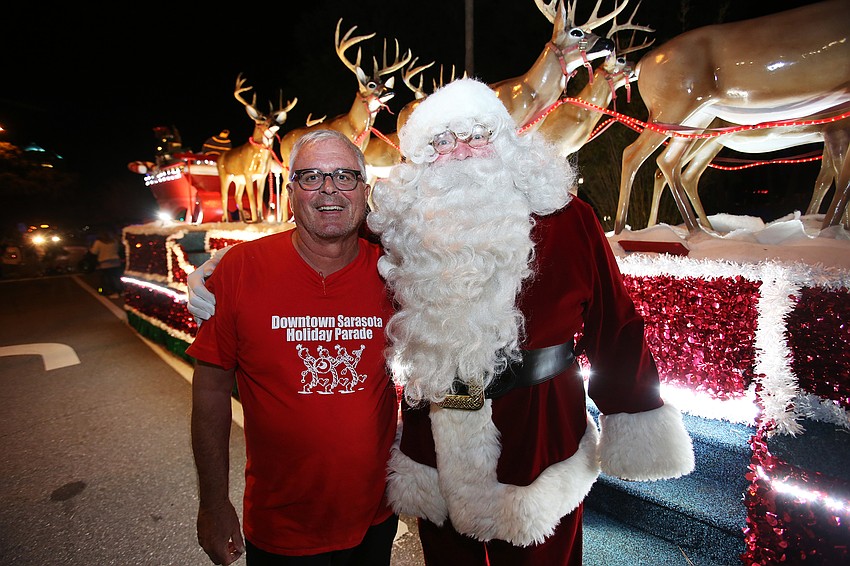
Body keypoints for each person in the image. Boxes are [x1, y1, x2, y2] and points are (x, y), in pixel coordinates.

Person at [190, 78, 696, 565]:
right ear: (425, 156)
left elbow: (616, 323)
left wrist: (632, 411)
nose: (461, 151)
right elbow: (324, 222)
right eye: (443, 140)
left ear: (505, 143)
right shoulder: (401, 224)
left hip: (540, 435)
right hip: (434, 440)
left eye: (476, 136)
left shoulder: (569, 219)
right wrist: (215, 271)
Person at [186, 129, 399, 566]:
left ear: (364, 190)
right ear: (290, 194)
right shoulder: (241, 270)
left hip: (375, 520)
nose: (329, 189)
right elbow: (209, 394)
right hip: (280, 526)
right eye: (311, 177)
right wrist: (212, 503)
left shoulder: (397, 272)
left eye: (344, 176)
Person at [89, 230, 123, 298]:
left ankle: (113, 292)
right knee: (116, 278)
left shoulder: (98, 242)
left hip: (105, 263)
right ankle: (120, 291)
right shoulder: (114, 241)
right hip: (116, 262)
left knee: (108, 279)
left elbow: (94, 252)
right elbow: (118, 250)